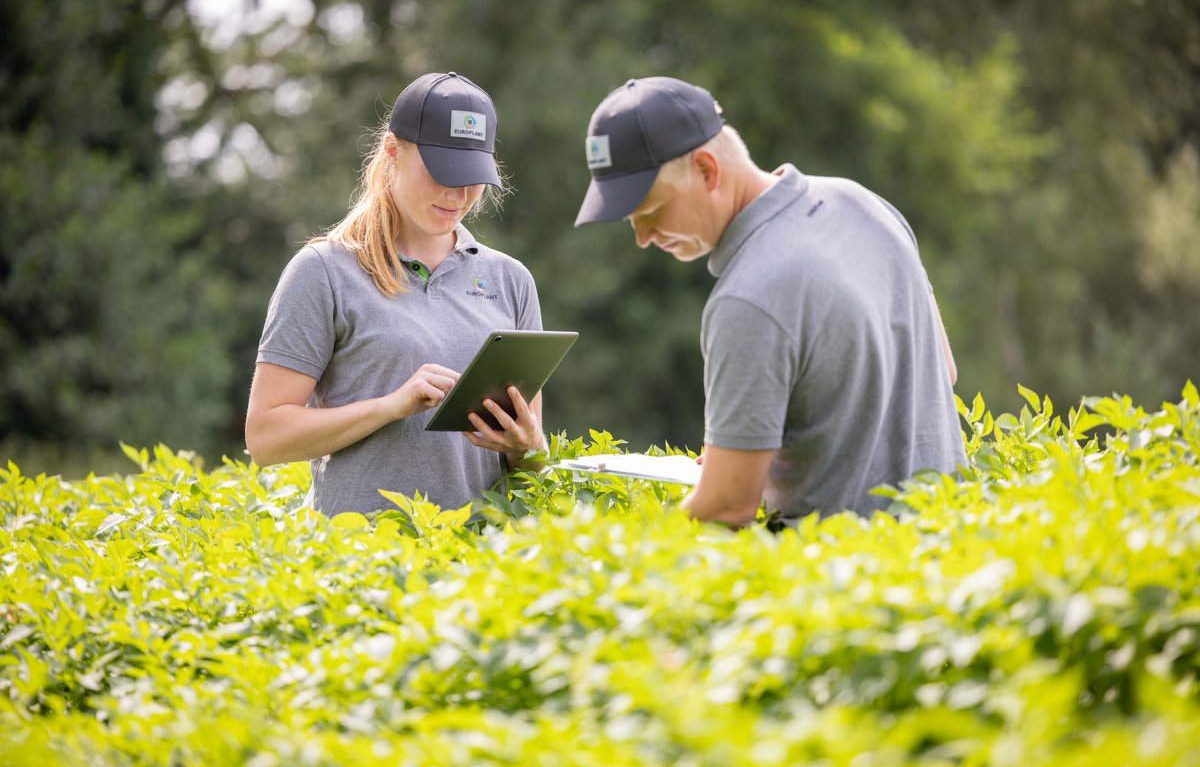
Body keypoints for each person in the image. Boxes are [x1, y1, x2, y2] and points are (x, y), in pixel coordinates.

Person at [574, 76, 966, 528]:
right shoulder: (863, 203)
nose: (643, 238)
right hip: (948, 553)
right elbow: (942, 370)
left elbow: (727, 506)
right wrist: (754, 448)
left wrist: (617, 560)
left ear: (706, 169)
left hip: (843, 578)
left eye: (651, 211)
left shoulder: (747, 298)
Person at [246, 72, 546, 516]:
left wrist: (529, 446)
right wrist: (390, 407)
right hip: (364, 565)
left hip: (484, 567)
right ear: (392, 151)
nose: (458, 194)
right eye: (443, 172)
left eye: (472, 177)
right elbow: (266, 439)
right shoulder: (324, 272)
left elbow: (532, 465)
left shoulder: (511, 280)